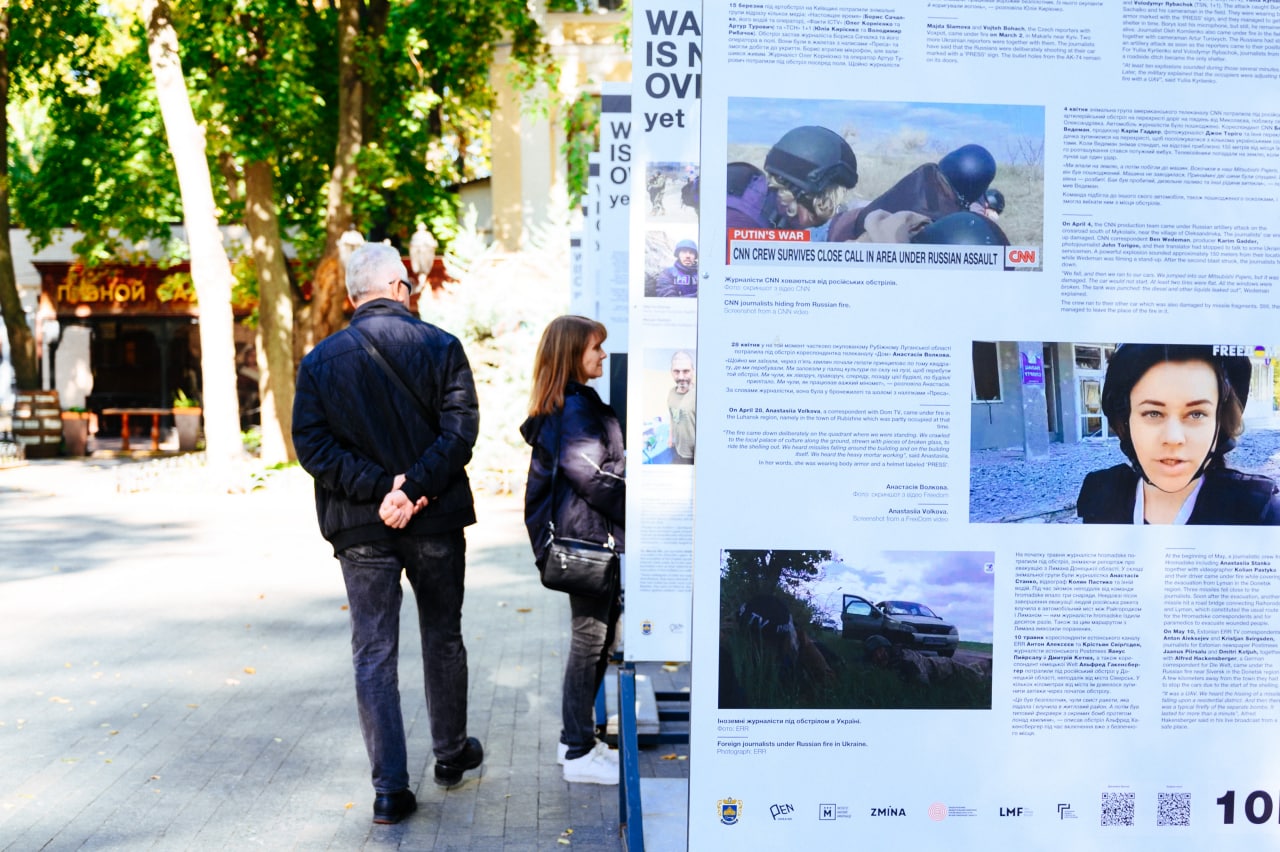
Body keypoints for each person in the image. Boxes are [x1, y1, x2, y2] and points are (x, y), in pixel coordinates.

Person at [292, 242, 484, 825]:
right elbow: (460, 432)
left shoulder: (320, 361)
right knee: (442, 636)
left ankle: (390, 792)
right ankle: (450, 755)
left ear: (353, 297)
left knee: (373, 653)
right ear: (402, 288)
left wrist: (381, 490)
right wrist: (413, 489)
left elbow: (313, 446)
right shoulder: (443, 347)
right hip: (435, 520)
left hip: (359, 528)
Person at [520, 315, 625, 785]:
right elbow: (591, 476)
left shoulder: (573, 402)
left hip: (586, 537)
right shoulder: (575, 408)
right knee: (589, 641)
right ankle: (579, 751)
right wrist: (643, 509)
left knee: (596, 640)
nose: (602, 355)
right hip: (585, 540)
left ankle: (576, 742)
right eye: (595, 348)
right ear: (572, 355)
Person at [1076, 343, 1280, 525]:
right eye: (1153, 413)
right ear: (1126, 421)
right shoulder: (1100, 494)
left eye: (1196, 414)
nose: (1173, 438)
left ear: (1220, 424)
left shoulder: (1257, 511)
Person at [725, 125, 859, 234]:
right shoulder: (739, 228)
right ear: (802, 194)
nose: (828, 217)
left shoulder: (777, 207)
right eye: (826, 206)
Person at [667, 351, 696, 464]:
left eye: (686, 371)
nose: (681, 377)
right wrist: (670, 437)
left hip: (694, 456)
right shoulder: (671, 393)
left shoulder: (699, 395)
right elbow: (672, 415)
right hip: (678, 450)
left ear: (693, 371)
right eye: (676, 371)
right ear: (671, 372)